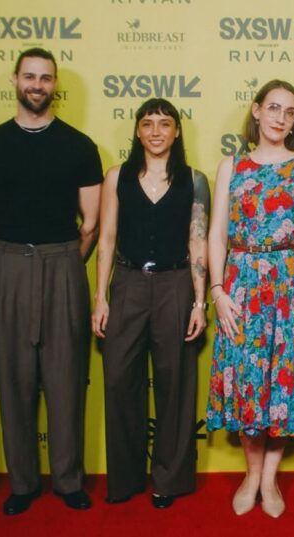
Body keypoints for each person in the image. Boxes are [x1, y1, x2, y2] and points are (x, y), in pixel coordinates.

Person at [0, 48, 102, 515]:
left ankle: (68, 480)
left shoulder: (80, 146)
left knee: (66, 377)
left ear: (55, 85)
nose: (37, 85)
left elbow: (91, 223)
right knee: (13, 378)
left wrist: (60, 261)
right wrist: (13, 260)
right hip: (6, 265)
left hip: (64, 262)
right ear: (15, 80)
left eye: (46, 78)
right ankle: (22, 482)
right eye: (30, 76)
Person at [206, 79, 294, 518]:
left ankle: (269, 479)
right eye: (274, 108)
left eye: (290, 112)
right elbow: (216, 236)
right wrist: (217, 291)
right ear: (257, 110)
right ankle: (251, 473)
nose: (281, 118)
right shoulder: (232, 167)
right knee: (249, 381)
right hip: (243, 286)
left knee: (285, 383)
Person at [92, 98, 210, 509]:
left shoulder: (194, 179)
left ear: (177, 131)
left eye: (165, 124)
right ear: (138, 131)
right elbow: (105, 239)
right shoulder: (116, 177)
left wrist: (199, 302)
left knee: (176, 384)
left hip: (176, 285)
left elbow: (198, 241)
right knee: (119, 380)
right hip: (126, 284)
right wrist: (101, 297)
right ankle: (124, 479)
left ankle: (169, 480)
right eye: (148, 124)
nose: (156, 131)